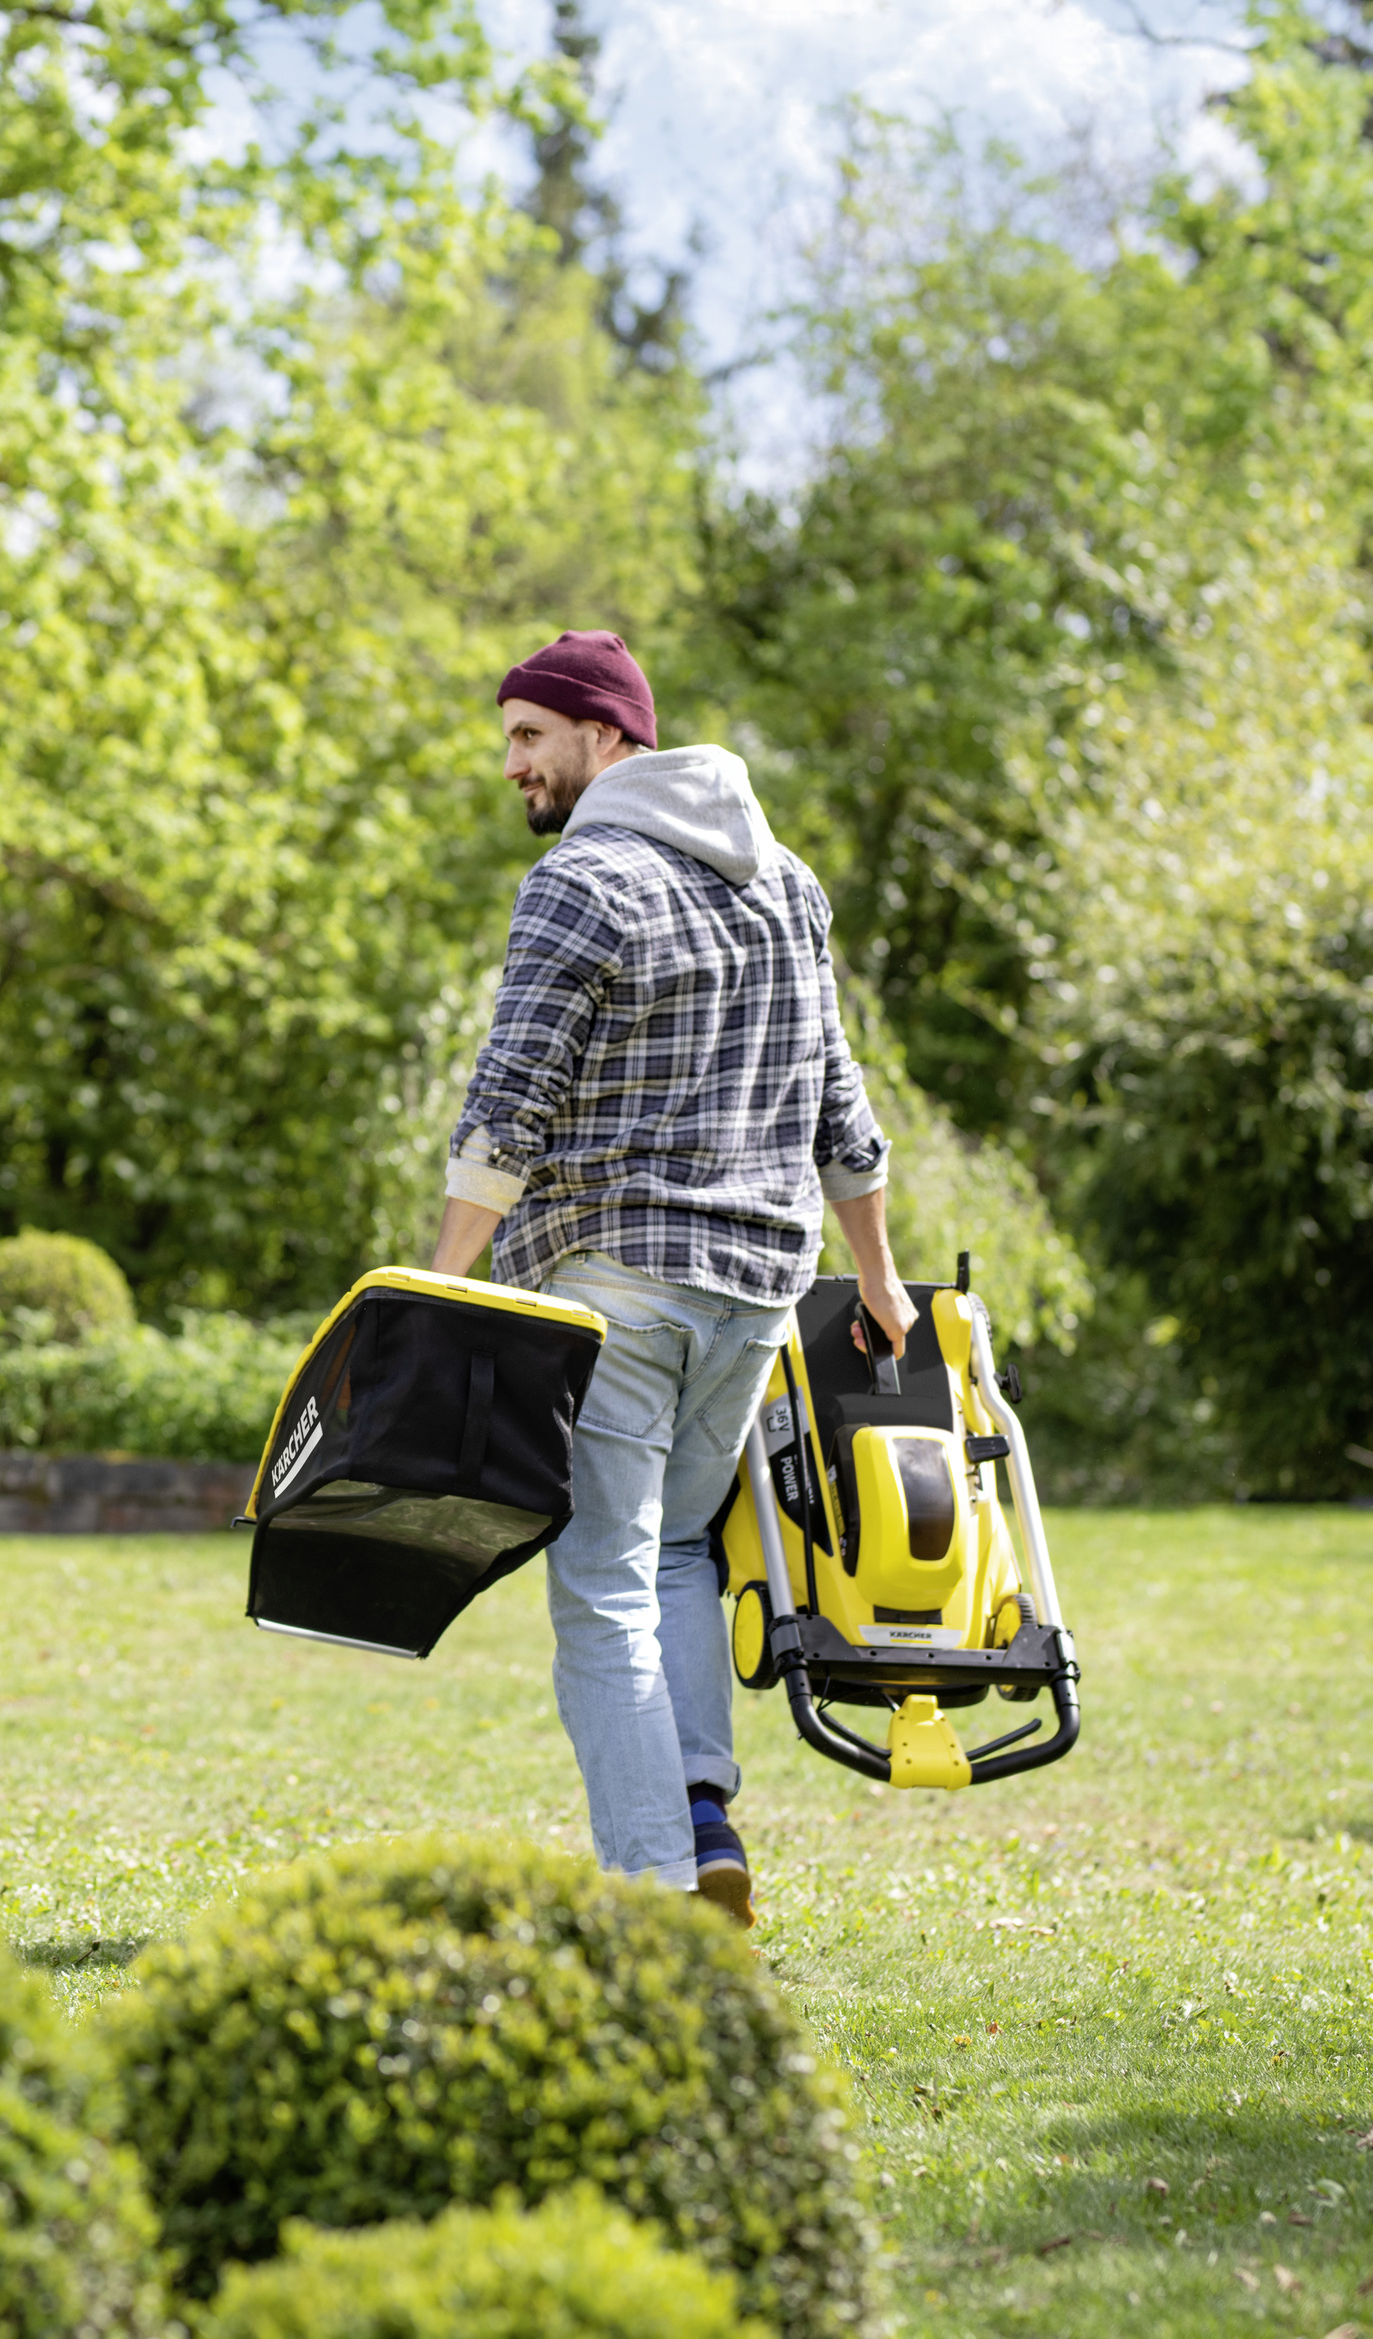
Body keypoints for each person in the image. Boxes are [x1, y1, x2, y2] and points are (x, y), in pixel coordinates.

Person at [428, 628, 906, 1928]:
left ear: (609, 734)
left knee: (600, 1583)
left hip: (613, 1284)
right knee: (681, 1543)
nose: (515, 764)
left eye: (532, 736)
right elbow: (839, 1099)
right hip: (755, 1289)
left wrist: (439, 1285)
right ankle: (700, 1810)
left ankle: (653, 1889)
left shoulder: (585, 879)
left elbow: (509, 1098)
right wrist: (878, 1274)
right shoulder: (787, 883)